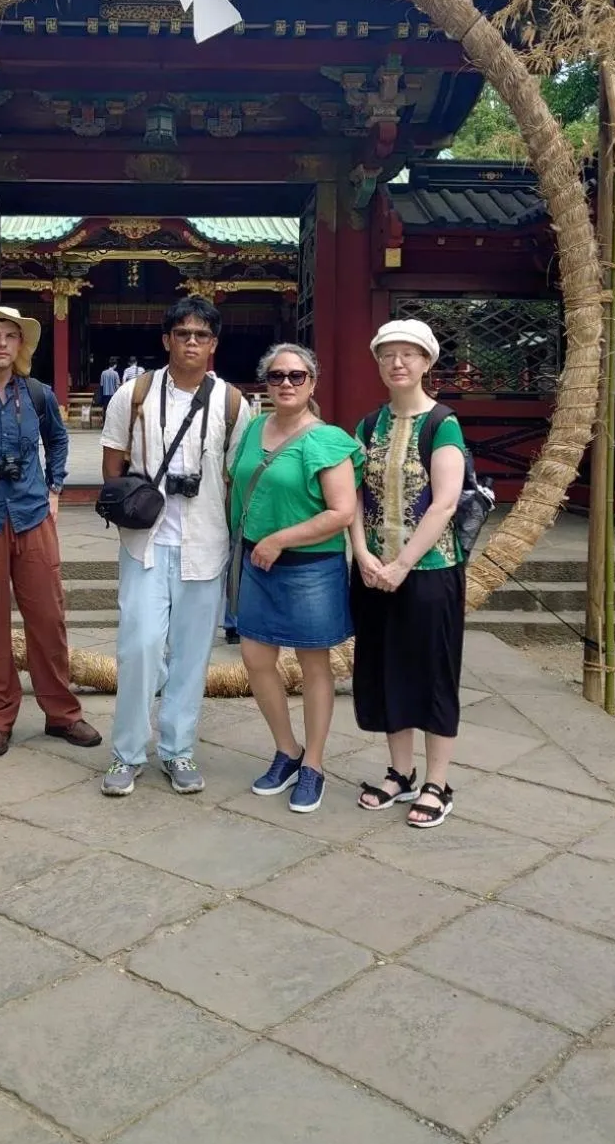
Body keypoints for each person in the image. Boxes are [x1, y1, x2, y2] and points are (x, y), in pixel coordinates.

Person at [99, 295, 251, 796]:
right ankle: (126, 753)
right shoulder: (134, 395)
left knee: (191, 654)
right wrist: (129, 510)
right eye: (182, 333)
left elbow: (236, 475)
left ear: (214, 344)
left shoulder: (233, 403)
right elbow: (113, 465)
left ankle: (178, 748)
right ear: (166, 340)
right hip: (145, 541)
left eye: (201, 335)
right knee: (139, 645)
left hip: (205, 543)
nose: (191, 342)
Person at [0, 307, 101, 758]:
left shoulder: (39, 395)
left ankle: (62, 713)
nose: (3, 343)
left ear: (21, 345)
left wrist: (55, 487)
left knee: (49, 617)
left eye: (11, 335)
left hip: (32, 516)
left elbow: (58, 439)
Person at [229, 344, 361, 813]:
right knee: (255, 658)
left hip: (309, 567)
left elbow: (342, 511)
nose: (286, 383)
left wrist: (281, 538)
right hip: (255, 562)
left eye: (297, 376)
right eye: (277, 375)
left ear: (313, 383)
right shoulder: (250, 431)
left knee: (313, 665)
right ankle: (287, 749)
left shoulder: (325, 439)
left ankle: (316, 764)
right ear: (265, 382)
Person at [350, 318, 467, 828]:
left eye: (409, 354)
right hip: (374, 570)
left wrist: (402, 563)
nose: (397, 363)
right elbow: (350, 496)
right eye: (387, 355)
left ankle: (438, 783)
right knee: (384, 669)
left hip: (429, 571)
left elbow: (443, 505)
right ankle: (400, 772)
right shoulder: (366, 426)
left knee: (433, 672)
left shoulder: (443, 423)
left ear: (426, 362)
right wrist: (362, 553)